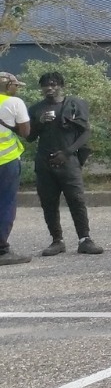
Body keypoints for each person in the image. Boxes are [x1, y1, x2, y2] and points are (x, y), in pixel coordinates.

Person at [28, 71, 97, 256]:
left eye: (53, 84)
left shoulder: (73, 104)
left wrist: (67, 152)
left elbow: (86, 133)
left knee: (77, 200)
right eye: (45, 85)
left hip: (69, 161)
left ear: (61, 86)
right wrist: (39, 122)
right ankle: (57, 241)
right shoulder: (36, 109)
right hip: (44, 163)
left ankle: (85, 239)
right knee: (48, 203)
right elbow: (30, 137)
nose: (49, 88)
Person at [0, 72, 32, 265]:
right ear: (6, 86)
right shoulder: (14, 103)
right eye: (15, 85)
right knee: (6, 204)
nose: (17, 88)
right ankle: (2, 250)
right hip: (6, 162)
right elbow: (26, 132)